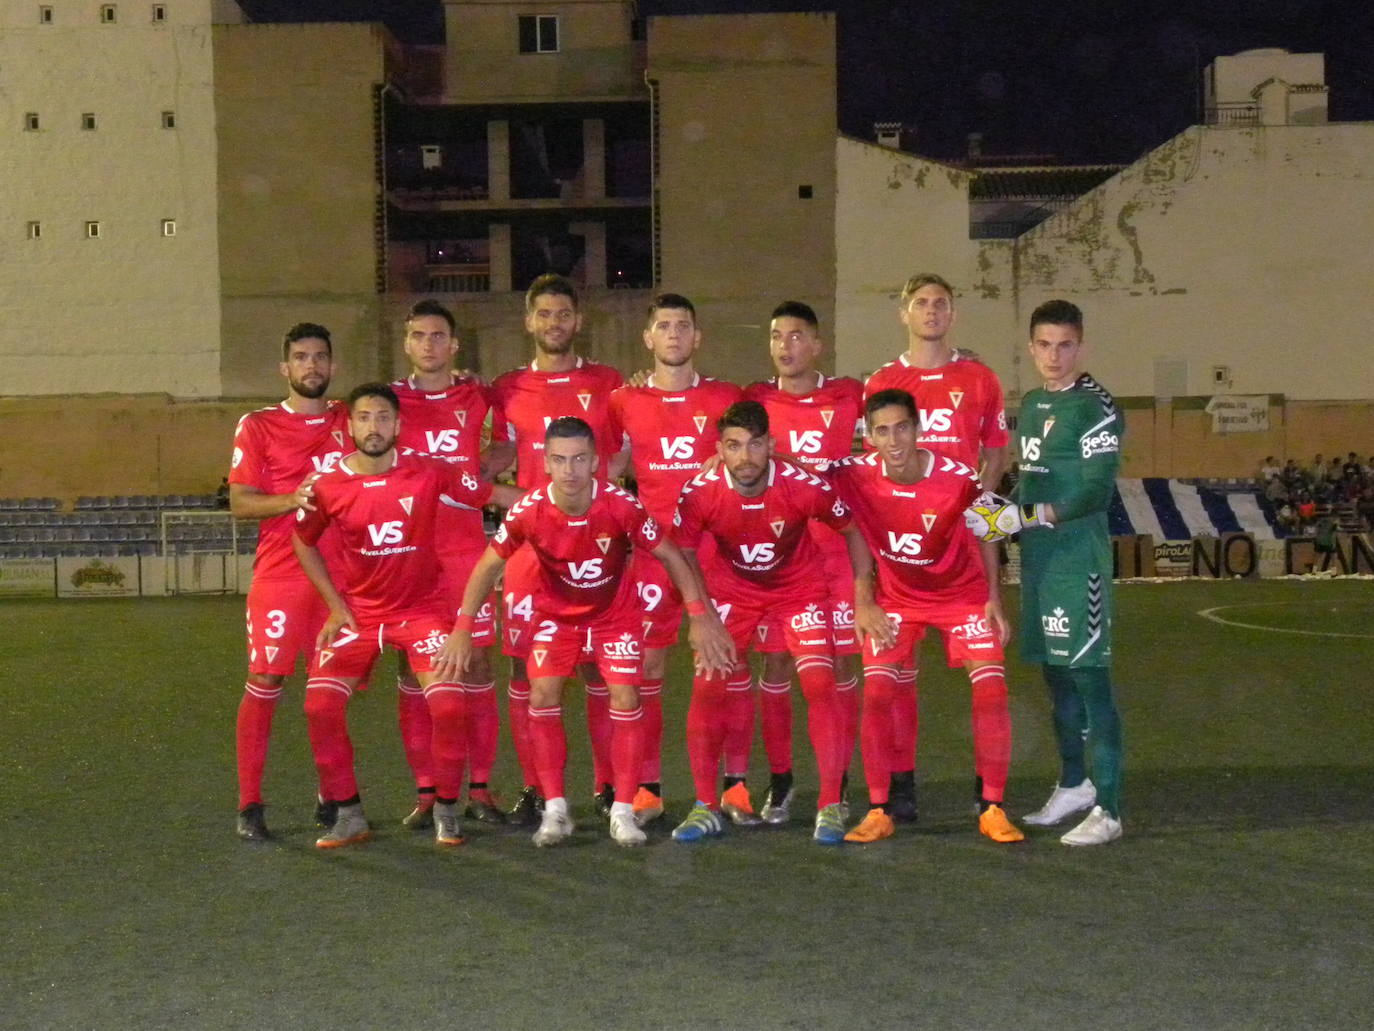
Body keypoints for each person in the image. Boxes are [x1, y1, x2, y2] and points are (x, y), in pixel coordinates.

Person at [435, 417, 733, 847]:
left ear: (595, 461)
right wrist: (463, 627)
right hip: (557, 619)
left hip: (615, 617)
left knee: (627, 695)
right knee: (541, 695)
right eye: (559, 460)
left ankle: (624, 810)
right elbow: (488, 565)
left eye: (579, 460)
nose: (570, 470)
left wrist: (698, 613)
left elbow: (668, 553)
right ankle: (556, 809)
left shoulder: (619, 504)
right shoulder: (529, 509)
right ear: (546, 462)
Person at [292, 383, 520, 848]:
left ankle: (446, 808)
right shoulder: (328, 484)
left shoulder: (430, 472)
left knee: (450, 704)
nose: (373, 427)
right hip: (359, 617)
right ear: (350, 425)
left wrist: (561, 497)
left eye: (382, 417)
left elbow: (491, 493)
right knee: (318, 706)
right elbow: (302, 540)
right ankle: (349, 813)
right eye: (364, 418)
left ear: (397, 425)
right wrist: (335, 605)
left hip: (421, 614)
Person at [670, 400, 888, 844]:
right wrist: (700, 613)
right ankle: (704, 805)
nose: (745, 457)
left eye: (754, 445)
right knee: (709, 684)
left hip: (798, 589)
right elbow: (683, 550)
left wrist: (863, 596)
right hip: (732, 592)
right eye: (733, 446)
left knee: (819, 682)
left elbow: (851, 530)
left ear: (771, 444)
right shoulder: (700, 491)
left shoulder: (802, 485)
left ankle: (829, 805)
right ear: (719, 448)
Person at [825, 388, 1024, 845]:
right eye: (881, 431)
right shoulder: (854, 475)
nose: (892, 441)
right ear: (868, 437)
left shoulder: (957, 478)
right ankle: (879, 808)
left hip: (963, 594)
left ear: (918, 430)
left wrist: (994, 597)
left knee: (992, 689)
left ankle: (992, 806)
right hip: (897, 599)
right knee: (877, 691)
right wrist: (864, 597)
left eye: (901, 428)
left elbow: (989, 529)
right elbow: (793, 470)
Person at [862, 273, 1011, 823]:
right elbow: (866, 474)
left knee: (989, 682)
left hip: (964, 552)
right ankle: (897, 790)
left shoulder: (979, 377)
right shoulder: (882, 381)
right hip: (901, 562)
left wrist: (981, 510)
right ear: (903, 312)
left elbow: (996, 453)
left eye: (940, 304)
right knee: (893, 684)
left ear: (953, 313)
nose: (930, 312)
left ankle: (989, 798)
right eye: (920, 303)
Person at [488, 275, 628, 824]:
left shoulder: (608, 383)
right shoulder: (505, 388)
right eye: (544, 314)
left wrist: (596, 508)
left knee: (599, 670)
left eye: (563, 313)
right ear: (529, 321)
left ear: (578, 320)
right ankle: (536, 788)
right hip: (531, 556)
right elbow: (494, 455)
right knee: (526, 675)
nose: (554, 323)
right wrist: (505, 496)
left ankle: (607, 784)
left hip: (594, 549)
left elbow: (618, 458)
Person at [607, 293, 743, 823]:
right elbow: (612, 466)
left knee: (723, 665)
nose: (673, 335)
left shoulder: (725, 397)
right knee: (647, 667)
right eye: (663, 326)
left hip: (716, 550)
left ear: (697, 337)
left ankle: (734, 786)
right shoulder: (625, 400)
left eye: (683, 326)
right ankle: (647, 789)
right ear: (648, 338)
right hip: (651, 553)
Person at [740, 301, 866, 825]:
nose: (786, 346)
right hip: (779, 557)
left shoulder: (851, 394)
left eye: (796, 336)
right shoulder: (754, 400)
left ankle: (837, 784)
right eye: (776, 336)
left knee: (839, 666)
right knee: (775, 664)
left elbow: (906, 405)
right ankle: (782, 779)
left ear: (816, 345)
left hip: (836, 553)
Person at [390, 299, 514, 828]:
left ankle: (480, 790)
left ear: (454, 345)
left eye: (439, 336)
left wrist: (482, 470)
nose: (429, 345)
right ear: (407, 343)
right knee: (413, 670)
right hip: (408, 554)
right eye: (420, 335)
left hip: (466, 551)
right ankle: (427, 793)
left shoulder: (478, 395)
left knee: (479, 665)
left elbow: (508, 444)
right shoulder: (389, 400)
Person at [228, 323, 349, 842]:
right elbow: (239, 502)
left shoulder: (351, 418)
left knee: (327, 695)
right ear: (286, 368)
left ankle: (332, 795)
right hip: (280, 575)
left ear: (333, 366)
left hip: (342, 580)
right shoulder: (257, 425)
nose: (312, 366)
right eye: (301, 358)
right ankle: (249, 802)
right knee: (267, 682)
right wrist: (293, 499)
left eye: (320, 357)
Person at [1014, 299, 1125, 846]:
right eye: (1044, 345)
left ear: (1079, 346)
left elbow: (1094, 491)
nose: (1054, 356)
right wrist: (994, 513)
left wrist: (1027, 515)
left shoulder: (1097, 408)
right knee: (1055, 679)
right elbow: (1031, 481)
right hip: (1037, 565)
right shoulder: (1032, 403)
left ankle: (1109, 807)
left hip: (1080, 567)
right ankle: (1075, 783)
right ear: (1031, 347)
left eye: (1064, 345)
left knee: (1090, 682)